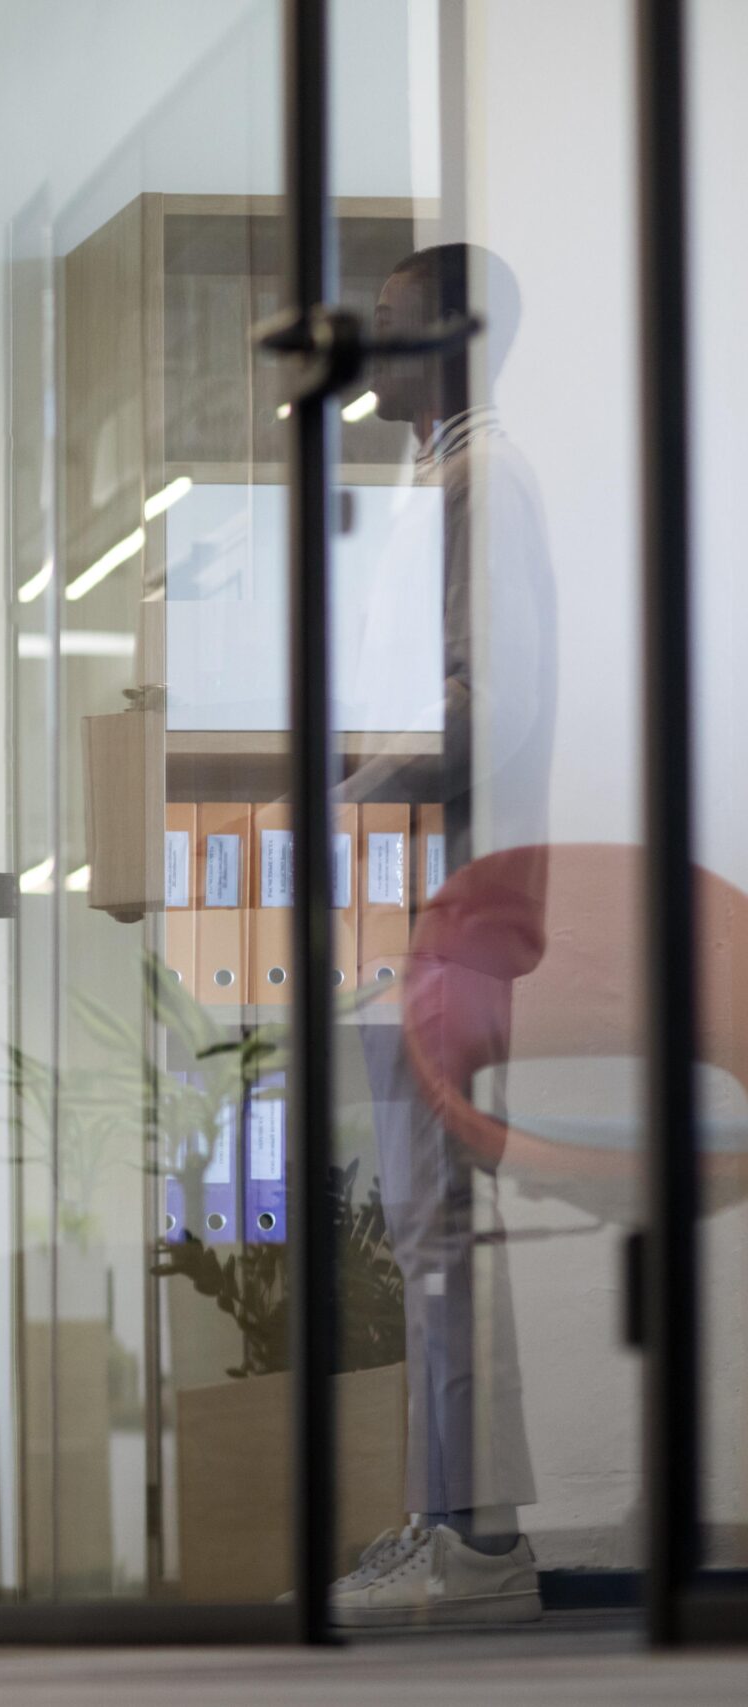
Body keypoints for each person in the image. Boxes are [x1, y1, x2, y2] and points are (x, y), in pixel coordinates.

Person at [330, 241, 554, 1627]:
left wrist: (342, 785)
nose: (377, 359)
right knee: (424, 1230)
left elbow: (488, 705)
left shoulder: (480, 481)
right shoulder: (436, 479)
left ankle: (472, 1542)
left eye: (401, 333)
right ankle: (454, 1523)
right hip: (409, 899)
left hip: (445, 908)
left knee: (437, 1233)